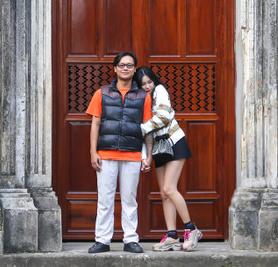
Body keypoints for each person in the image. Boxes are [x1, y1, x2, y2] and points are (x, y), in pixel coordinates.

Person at [85, 52, 153, 254]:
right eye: (121, 65)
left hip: (132, 155)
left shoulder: (143, 96)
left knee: (129, 199)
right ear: (114, 68)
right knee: (105, 200)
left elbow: (147, 128)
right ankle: (102, 241)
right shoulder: (102, 93)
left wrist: (148, 155)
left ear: (134, 69)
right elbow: (95, 124)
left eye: (129, 65)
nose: (125, 68)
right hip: (105, 155)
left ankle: (131, 240)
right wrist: (93, 152)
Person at [135, 66, 201, 252]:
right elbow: (145, 135)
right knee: (164, 194)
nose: (148, 86)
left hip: (174, 142)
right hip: (158, 149)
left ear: (154, 81)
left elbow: (163, 117)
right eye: (143, 84)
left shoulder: (160, 91)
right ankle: (172, 236)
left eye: (150, 82)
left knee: (169, 188)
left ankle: (191, 229)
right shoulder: (141, 101)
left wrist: (139, 129)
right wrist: (145, 158)